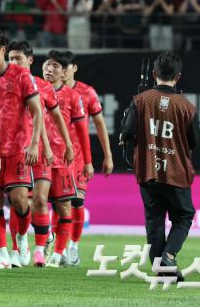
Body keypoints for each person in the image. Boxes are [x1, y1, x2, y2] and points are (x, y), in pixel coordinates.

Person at [120, 52, 199, 280]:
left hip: (148, 170)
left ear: (154, 74)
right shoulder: (187, 106)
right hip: (176, 172)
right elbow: (195, 141)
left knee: (154, 218)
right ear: (179, 76)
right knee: (183, 217)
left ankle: (161, 267)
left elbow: (127, 132)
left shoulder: (140, 100)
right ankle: (169, 256)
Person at [0, 29, 43, 270]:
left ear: (2, 50)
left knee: (19, 200)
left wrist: (34, 143)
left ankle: (22, 239)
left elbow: (37, 110)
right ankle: (0, 254)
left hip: (18, 149)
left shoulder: (22, 75)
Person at [7, 41, 73, 267]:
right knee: (19, 202)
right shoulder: (4, 83)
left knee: (40, 199)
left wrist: (67, 145)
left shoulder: (42, 86)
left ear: (29, 60)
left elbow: (54, 118)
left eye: (18, 59)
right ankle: (19, 243)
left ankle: (39, 249)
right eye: (11, 59)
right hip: (17, 152)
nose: (14, 63)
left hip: (41, 152)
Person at [63, 51, 114, 266]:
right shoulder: (46, 91)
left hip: (78, 158)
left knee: (76, 202)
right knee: (58, 203)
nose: (61, 70)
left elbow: (100, 124)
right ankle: (58, 246)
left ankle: (73, 246)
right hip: (55, 157)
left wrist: (108, 155)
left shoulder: (87, 92)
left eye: (66, 66)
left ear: (74, 68)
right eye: (57, 65)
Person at [41, 50, 89, 268]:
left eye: (56, 66)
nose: (50, 69)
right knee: (34, 203)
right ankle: (45, 239)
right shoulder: (34, 89)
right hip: (38, 159)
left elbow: (82, 131)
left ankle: (60, 252)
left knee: (64, 207)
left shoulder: (73, 96)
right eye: (47, 65)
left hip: (62, 161)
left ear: (65, 72)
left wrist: (87, 161)